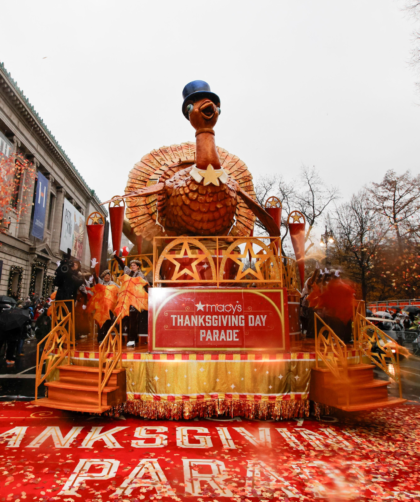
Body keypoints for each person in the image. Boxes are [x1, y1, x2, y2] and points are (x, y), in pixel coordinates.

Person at [113, 255, 149, 348]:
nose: (132, 266)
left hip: (135, 300)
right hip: (127, 300)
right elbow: (123, 265)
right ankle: (132, 338)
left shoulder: (141, 275)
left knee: (133, 320)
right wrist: (116, 257)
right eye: (131, 265)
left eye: (134, 265)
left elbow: (146, 286)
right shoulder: (129, 273)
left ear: (138, 266)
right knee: (126, 319)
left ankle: (132, 339)